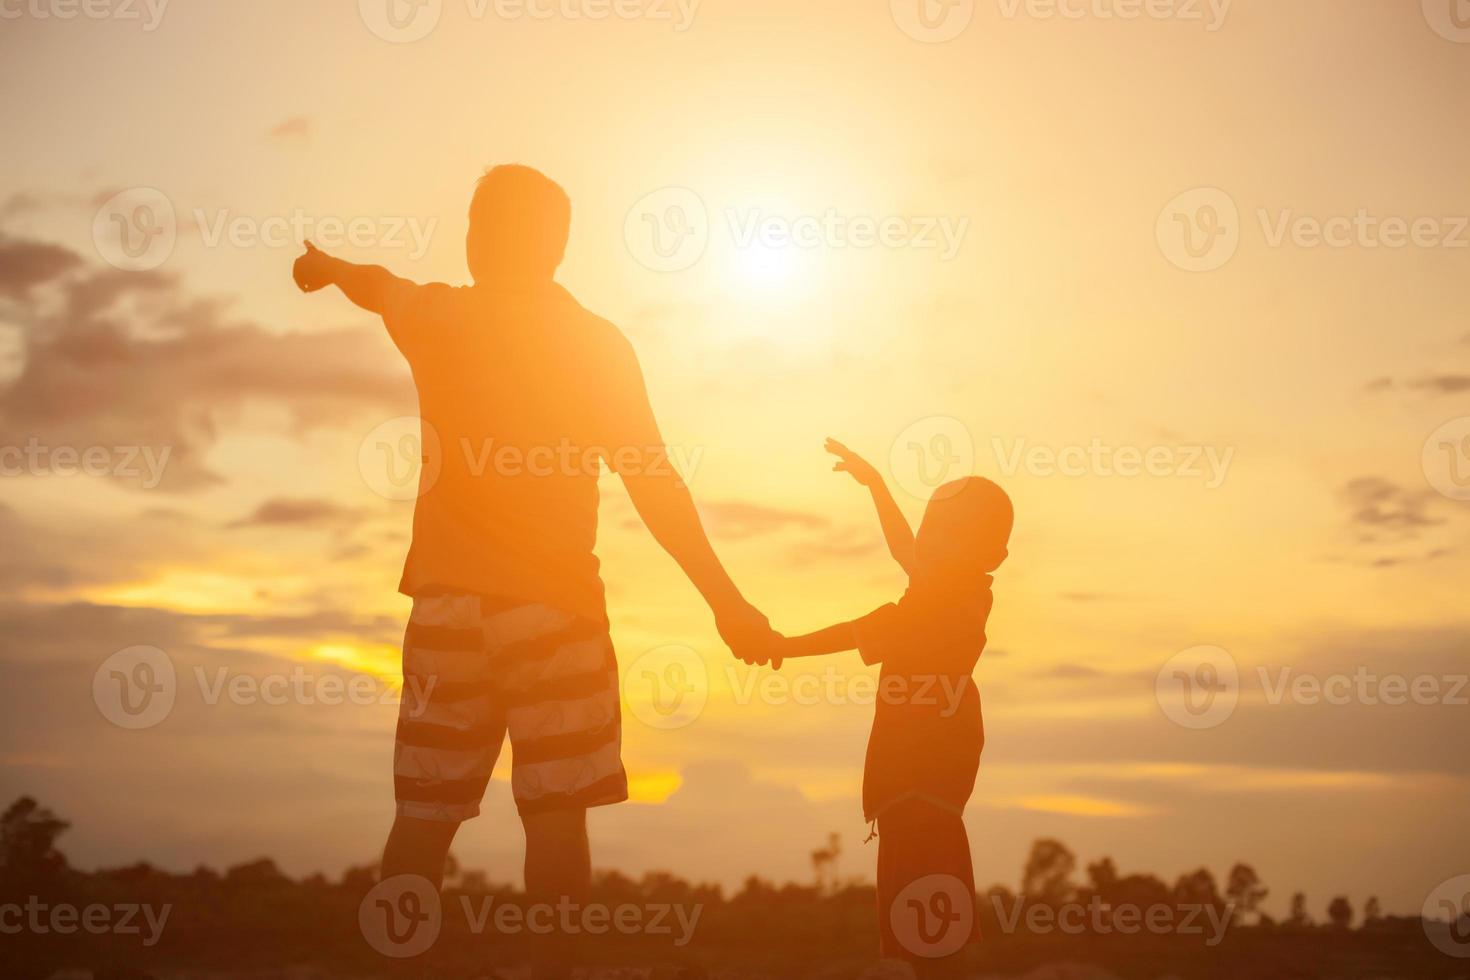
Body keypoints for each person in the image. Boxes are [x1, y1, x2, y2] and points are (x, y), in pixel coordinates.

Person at [291, 164, 774, 977]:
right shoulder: (595, 345)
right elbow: (654, 481)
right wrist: (728, 604)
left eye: (479, 228)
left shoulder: (441, 314)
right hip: (555, 615)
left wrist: (329, 268)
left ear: (483, 238)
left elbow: (380, 286)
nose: (474, 241)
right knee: (555, 821)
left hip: (448, 613)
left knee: (421, 820)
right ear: (557, 248)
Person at [769, 438, 1013, 976]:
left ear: (989, 555)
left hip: (920, 785)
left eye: (945, 532)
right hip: (920, 788)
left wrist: (783, 646)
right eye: (928, 527)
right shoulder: (959, 587)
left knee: (926, 937)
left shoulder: (937, 607)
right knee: (920, 934)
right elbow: (909, 552)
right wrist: (876, 485)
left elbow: (857, 631)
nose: (925, 541)